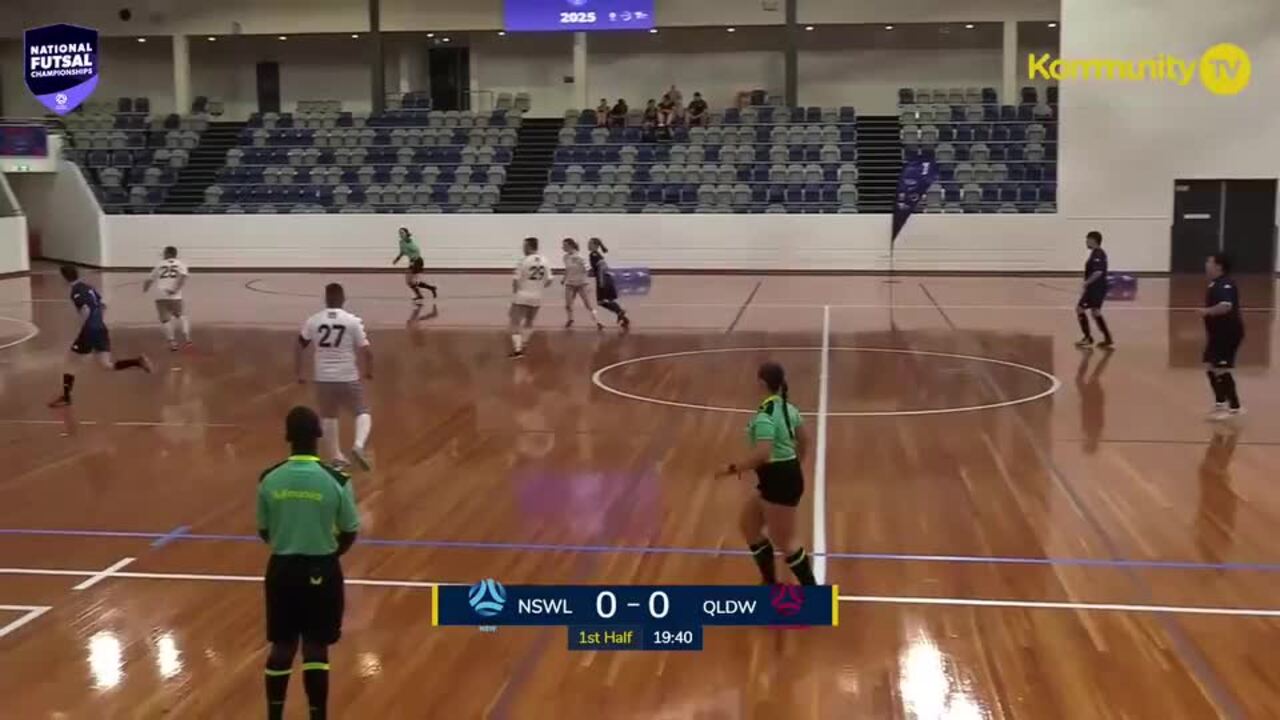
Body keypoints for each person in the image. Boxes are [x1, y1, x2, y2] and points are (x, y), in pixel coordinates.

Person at [258, 405, 360, 720]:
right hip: (322, 570)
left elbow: (265, 530)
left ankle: (274, 716)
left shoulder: (269, 479)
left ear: (288, 437)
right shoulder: (337, 481)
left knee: (282, 646)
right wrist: (327, 553)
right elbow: (350, 531)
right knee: (316, 648)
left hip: (282, 571)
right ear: (319, 436)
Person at [716, 362, 816, 586]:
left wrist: (732, 469)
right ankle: (769, 582)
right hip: (780, 477)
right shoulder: (788, 408)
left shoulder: (765, 415)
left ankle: (813, 594)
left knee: (786, 542)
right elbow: (804, 441)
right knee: (749, 525)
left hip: (778, 481)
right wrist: (793, 464)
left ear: (762, 383)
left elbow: (762, 453)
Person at [48, 265, 153, 408]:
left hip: (90, 330)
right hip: (101, 329)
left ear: (64, 278)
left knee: (69, 363)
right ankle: (137, 362)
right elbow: (102, 305)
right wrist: (97, 322)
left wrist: (85, 327)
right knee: (106, 365)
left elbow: (85, 310)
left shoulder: (76, 291)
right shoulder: (88, 287)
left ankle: (66, 397)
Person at [296, 283, 374, 470]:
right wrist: (369, 371)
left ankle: (337, 456)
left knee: (329, 416)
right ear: (342, 299)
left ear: (326, 299)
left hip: (323, 378)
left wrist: (299, 372)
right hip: (347, 376)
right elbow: (367, 351)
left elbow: (299, 345)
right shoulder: (352, 321)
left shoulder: (314, 320)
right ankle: (358, 445)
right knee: (362, 412)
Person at [1199, 253, 1245, 420]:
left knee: (1220, 368)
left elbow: (1226, 306)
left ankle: (1233, 407)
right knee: (1211, 367)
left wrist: (1207, 311)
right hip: (1217, 334)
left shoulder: (1224, 284)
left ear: (1218, 266)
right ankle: (1221, 404)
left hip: (1228, 333)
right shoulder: (1215, 284)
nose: (1206, 264)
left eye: (1209, 261)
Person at [509, 237, 553, 358]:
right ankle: (524, 343)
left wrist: (515, 293)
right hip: (537, 296)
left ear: (529, 246)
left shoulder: (523, 261)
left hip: (522, 295)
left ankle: (518, 350)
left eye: (524, 246)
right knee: (529, 321)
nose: (523, 248)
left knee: (514, 321)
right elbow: (549, 281)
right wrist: (538, 286)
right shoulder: (545, 261)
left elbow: (516, 281)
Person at [142, 246, 192, 351]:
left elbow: (149, 280)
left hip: (160, 295)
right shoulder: (181, 264)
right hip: (175, 296)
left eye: (164, 253)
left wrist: (145, 289)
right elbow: (182, 278)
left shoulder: (159, 264)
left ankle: (172, 342)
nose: (163, 255)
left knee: (165, 320)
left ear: (168, 254)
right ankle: (187, 338)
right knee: (181, 316)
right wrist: (175, 289)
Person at [1074, 231, 1114, 348]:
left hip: (1096, 288)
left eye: (1087, 239)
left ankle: (1087, 338)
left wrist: (1086, 282)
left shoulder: (1098, 254)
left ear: (1093, 240)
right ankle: (1107, 338)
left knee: (1080, 309)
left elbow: (1098, 272)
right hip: (1096, 288)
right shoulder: (1095, 253)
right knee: (1095, 311)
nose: (1086, 242)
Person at [587, 238, 630, 330]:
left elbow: (602, 267)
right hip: (606, 278)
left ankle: (620, 311)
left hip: (603, 279)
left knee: (601, 301)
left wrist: (601, 281)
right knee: (607, 300)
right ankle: (623, 318)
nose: (588, 245)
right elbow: (600, 266)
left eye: (590, 244)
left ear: (595, 245)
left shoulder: (593, 254)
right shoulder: (597, 255)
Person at [562, 238, 603, 330]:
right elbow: (567, 269)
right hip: (570, 283)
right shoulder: (565, 257)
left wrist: (588, 281)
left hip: (581, 284)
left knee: (588, 304)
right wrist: (564, 279)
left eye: (564, 245)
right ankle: (570, 319)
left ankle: (598, 322)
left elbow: (588, 269)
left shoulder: (580, 257)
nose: (563, 247)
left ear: (570, 246)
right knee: (568, 304)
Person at [392, 227, 437, 303]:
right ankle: (430, 289)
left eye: (402, 233)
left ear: (406, 233)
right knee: (410, 282)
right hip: (412, 262)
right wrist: (397, 259)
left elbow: (417, 251)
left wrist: (413, 260)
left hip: (417, 261)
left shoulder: (409, 242)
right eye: (400, 233)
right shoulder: (401, 242)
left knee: (412, 281)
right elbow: (402, 252)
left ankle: (425, 291)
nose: (401, 234)